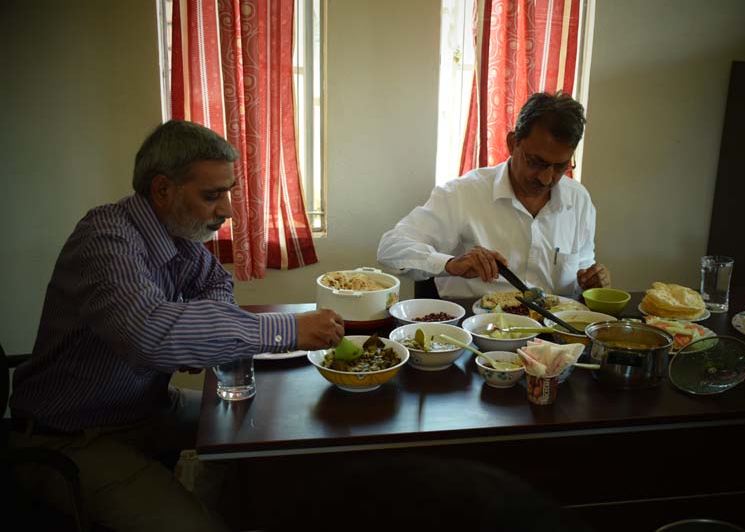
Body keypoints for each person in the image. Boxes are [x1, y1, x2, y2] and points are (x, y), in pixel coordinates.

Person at [9, 120, 345, 532]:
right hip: (73, 433)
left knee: (267, 438)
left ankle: (220, 493)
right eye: (211, 195)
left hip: (145, 408)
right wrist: (287, 330)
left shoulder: (177, 236)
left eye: (228, 193)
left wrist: (201, 335)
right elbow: (150, 335)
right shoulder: (105, 240)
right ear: (163, 190)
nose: (226, 210)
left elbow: (216, 282)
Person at [377, 91, 610, 300]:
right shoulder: (463, 194)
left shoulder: (579, 201)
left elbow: (581, 270)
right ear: (512, 143)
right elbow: (391, 247)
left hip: (555, 328)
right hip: (475, 327)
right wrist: (450, 264)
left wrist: (590, 282)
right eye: (536, 162)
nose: (546, 178)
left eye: (560, 167)